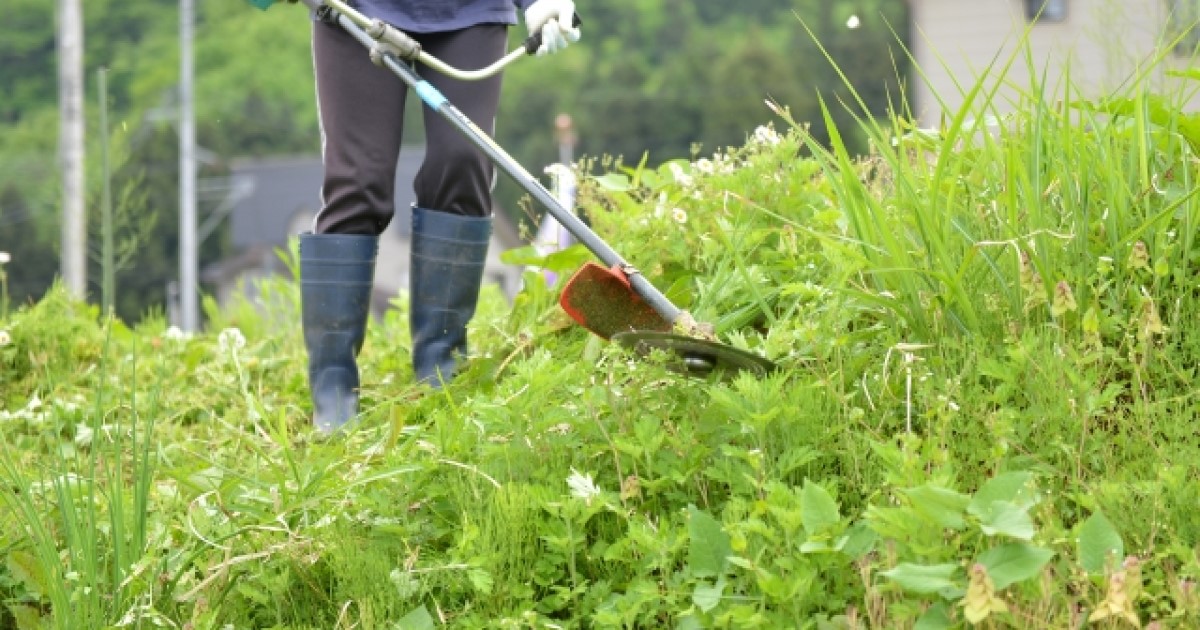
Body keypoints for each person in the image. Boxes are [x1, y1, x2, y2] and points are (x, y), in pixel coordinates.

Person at [297, 0, 580, 433]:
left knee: (464, 160)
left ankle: (440, 369)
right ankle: (333, 388)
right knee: (359, 183)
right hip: (355, 9)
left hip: (469, 12)